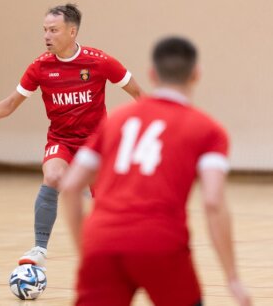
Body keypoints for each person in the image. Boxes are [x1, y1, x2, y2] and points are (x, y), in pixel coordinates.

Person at [60, 36, 251, 306]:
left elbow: (69, 187)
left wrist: (88, 248)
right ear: (196, 75)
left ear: (152, 74)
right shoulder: (209, 130)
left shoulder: (115, 120)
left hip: (102, 240)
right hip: (160, 243)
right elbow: (212, 202)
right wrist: (232, 277)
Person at [0, 3, 144, 268]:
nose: (46, 36)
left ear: (72, 32)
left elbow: (138, 94)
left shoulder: (99, 61)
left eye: (53, 30)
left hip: (96, 145)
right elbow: (11, 103)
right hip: (61, 141)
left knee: (105, 201)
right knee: (52, 176)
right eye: (44, 30)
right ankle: (39, 248)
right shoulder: (40, 67)